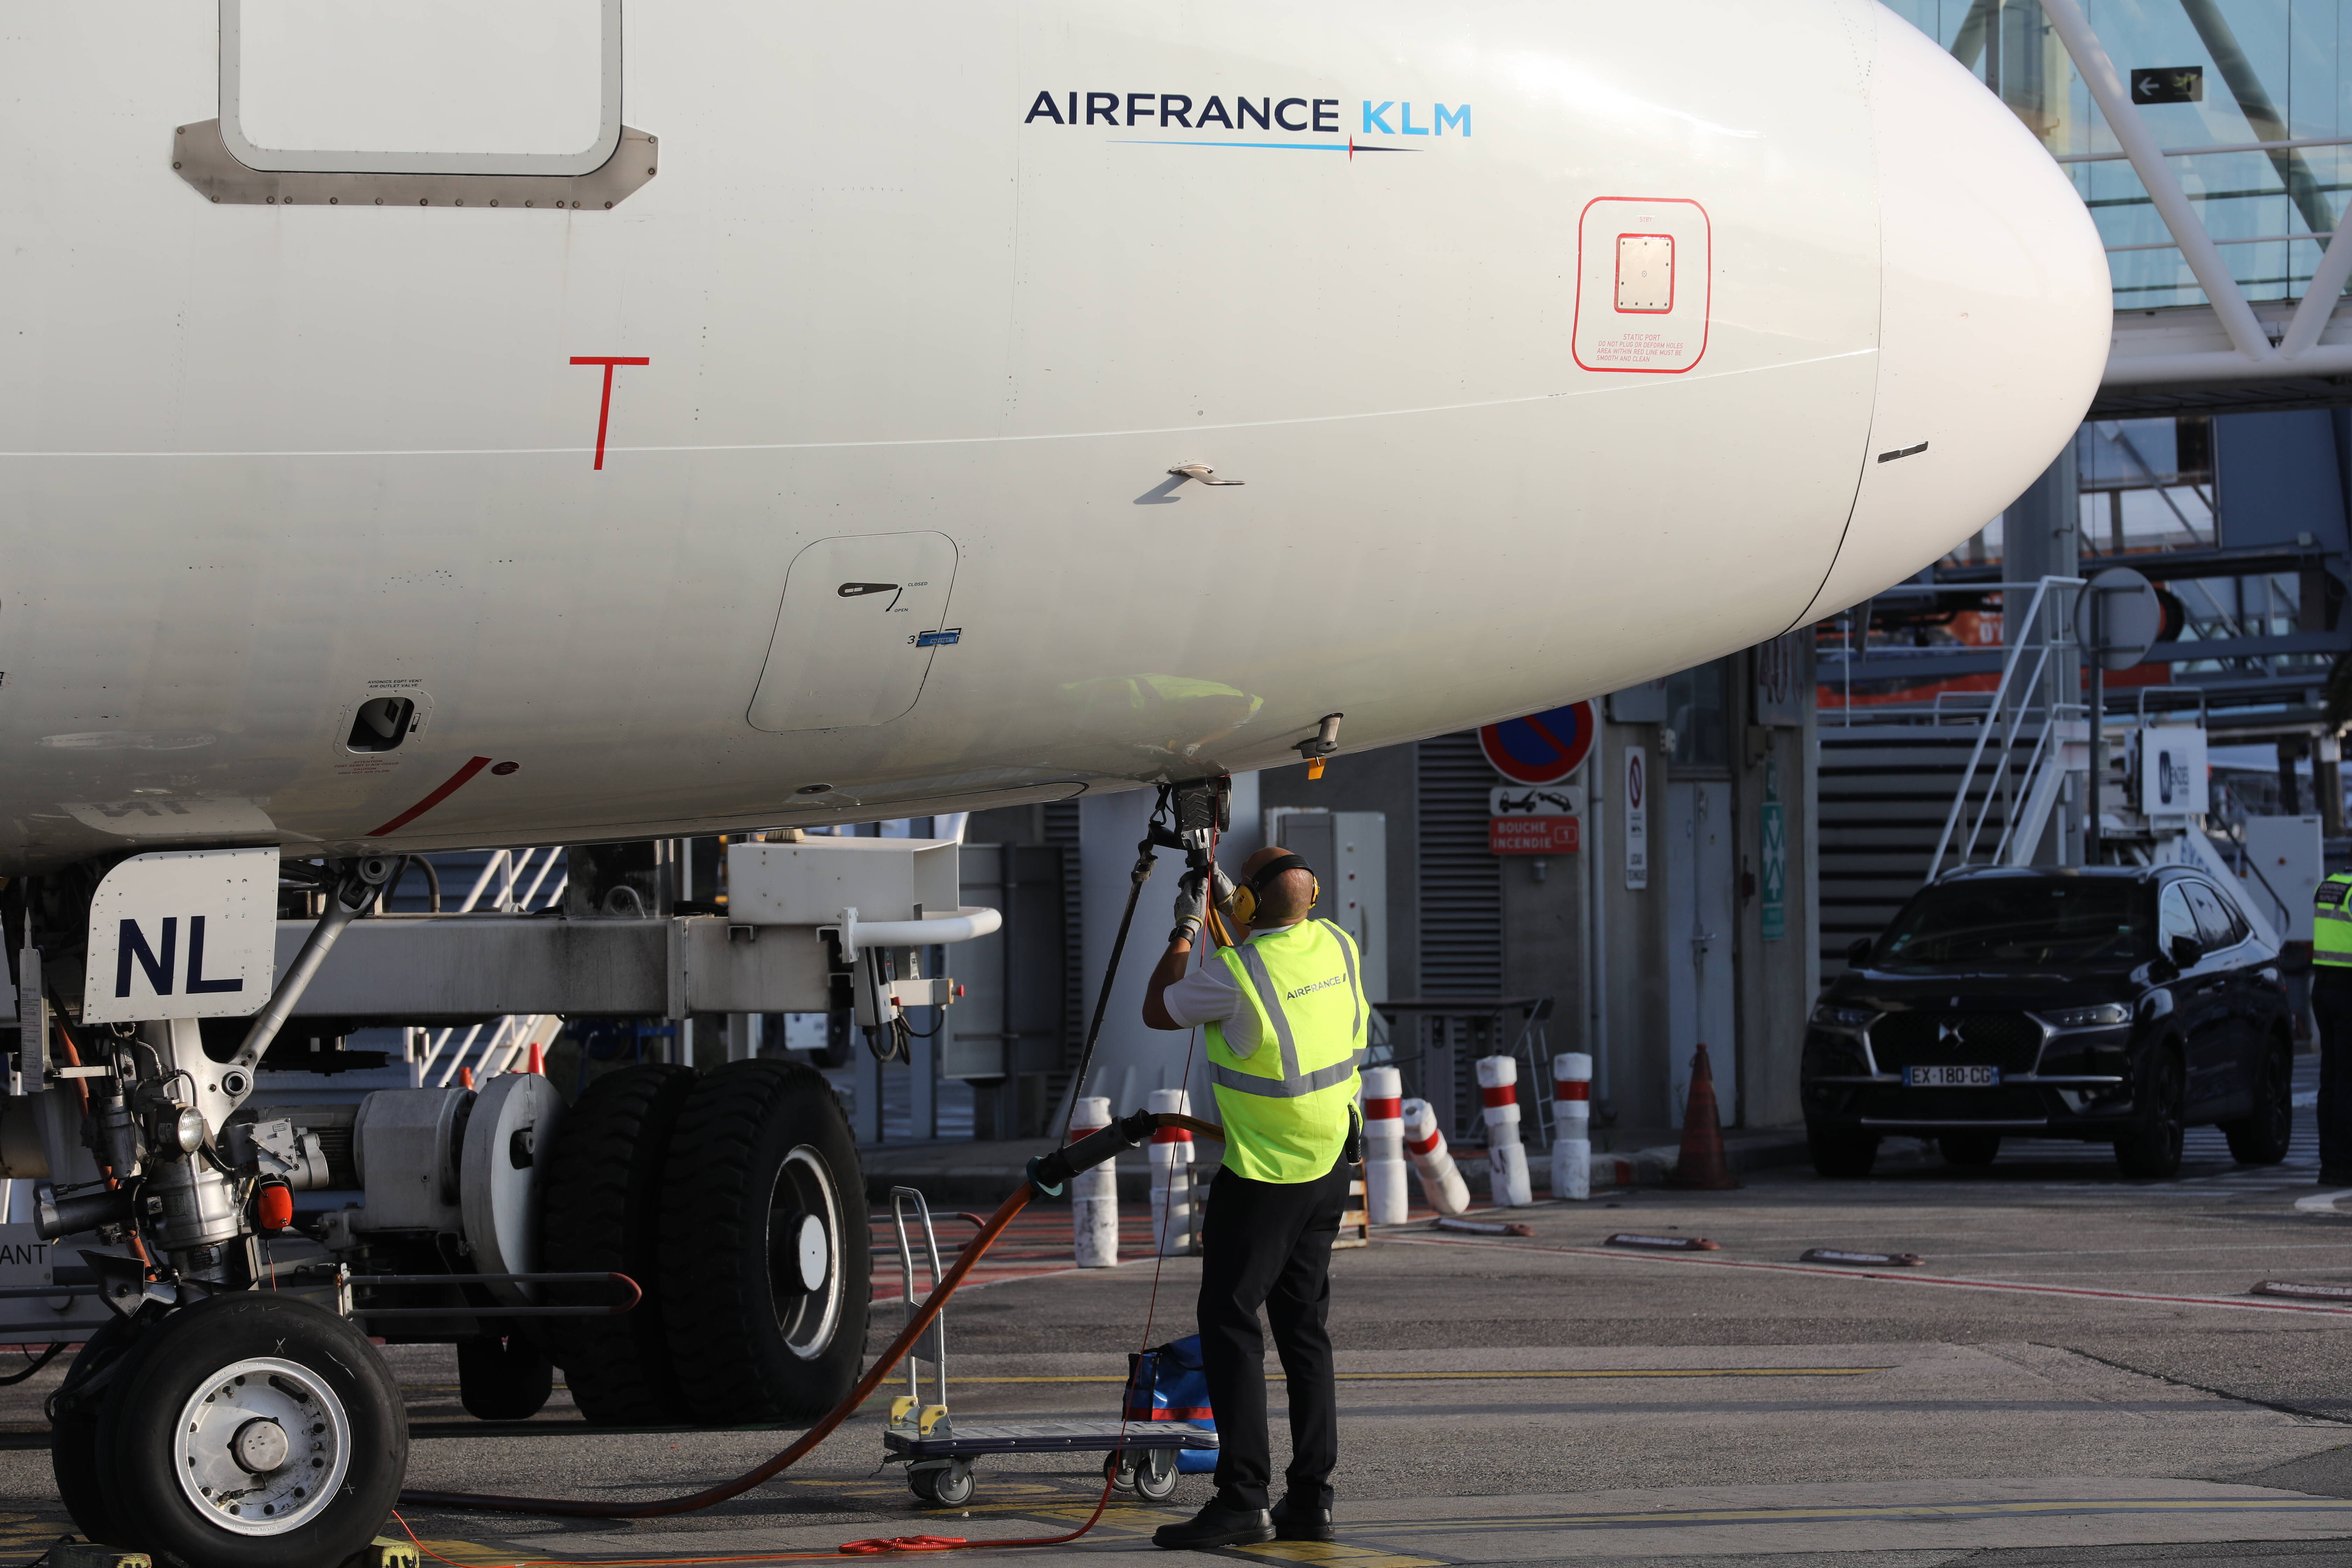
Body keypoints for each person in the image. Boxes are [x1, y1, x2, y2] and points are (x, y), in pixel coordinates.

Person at [1140, 845, 1367, 1550]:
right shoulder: (1336, 943)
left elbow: (1158, 1008)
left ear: (1245, 905)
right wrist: (1232, 904)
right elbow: (1275, 946)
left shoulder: (1232, 974)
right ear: (1313, 897)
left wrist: (1185, 925)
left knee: (1229, 1322)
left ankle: (1242, 1498)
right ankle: (1312, 1500)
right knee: (1303, 1332)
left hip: (1266, 1172)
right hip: (1330, 1163)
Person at [2314, 869, 2352, 1185]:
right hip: (2348, 989)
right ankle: (2345, 1164)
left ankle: (2329, 1164)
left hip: (2323, 987)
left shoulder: (2327, 886)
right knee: (2347, 1081)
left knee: (2330, 1079)